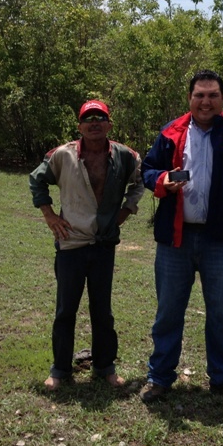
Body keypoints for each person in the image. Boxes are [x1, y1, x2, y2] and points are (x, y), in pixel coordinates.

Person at [139, 69, 223, 404]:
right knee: (168, 312)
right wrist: (163, 180)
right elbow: (148, 171)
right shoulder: (170, 133)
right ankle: (160, 378)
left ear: (222, 99)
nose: (205, 101)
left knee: (222, 312)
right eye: (199, 95)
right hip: (175, 240)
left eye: (212, 95)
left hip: (221, 241)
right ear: (190, 98)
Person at [29, 99, 145, 391]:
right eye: (88, 118)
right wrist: (49, 215)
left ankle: (105, 367)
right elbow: (36, 180)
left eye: (100, 117)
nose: (94, 123)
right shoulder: (63, 155)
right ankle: (60, 370)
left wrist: (126, 210)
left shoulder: (125, 156)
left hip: (104, 243)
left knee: (102, 310)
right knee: (66, 309)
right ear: (79, 125)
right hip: (71, 243)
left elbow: (141, 181)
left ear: (109, 124)